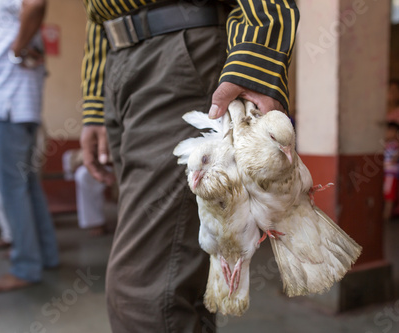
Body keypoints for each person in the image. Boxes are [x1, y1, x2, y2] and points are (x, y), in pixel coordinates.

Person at [80, 1, 299, 331]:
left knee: (146, 296)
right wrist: (96, 101)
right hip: (118, 60)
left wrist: (256, 56)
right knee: (179, 283)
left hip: (180, 52)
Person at [0, 0, 59, 291]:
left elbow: (35, 4)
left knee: (12, 188)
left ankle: (26, 267)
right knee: (26, 185)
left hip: (4, 105)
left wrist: (15, 50)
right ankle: (44, 255)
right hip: (12, 105)